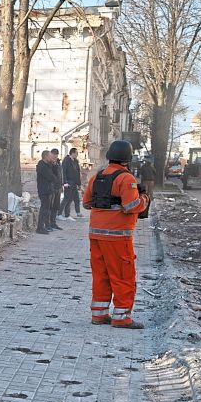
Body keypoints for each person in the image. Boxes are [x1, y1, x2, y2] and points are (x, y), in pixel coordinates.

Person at [82, 139, 149, 329]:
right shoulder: (126, 179)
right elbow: (131, 206)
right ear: (128, 158)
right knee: (122, 275)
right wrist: (144, 199)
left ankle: (99, 315)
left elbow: (86, 203)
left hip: (96, 235)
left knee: (101, 275)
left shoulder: (98, 176)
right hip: (118, 236)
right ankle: (122, 317)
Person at [34, 150, 59, 233]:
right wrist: (55, 179)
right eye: (50, 156)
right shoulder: (42, 166)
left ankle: (44, 226)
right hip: (44, 190)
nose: (51, 158)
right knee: (44, 209)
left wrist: (54, 166)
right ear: (45, 157)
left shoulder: (48, 165)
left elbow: (55, 174)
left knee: (47, 209)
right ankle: (40, 228)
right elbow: (51, 177)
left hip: (48, 190)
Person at [60, 148, 83, 220]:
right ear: (72, 153)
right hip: (68, 183)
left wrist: (79, 184)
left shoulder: (76, 161)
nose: (77, 154)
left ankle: (68, 215)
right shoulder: (66, 160)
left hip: (74, 183)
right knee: (66, 198)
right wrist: (64, 182)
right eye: (76, 153)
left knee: (73, 199)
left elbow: (77, 172)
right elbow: (63, 172)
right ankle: (59, 214)